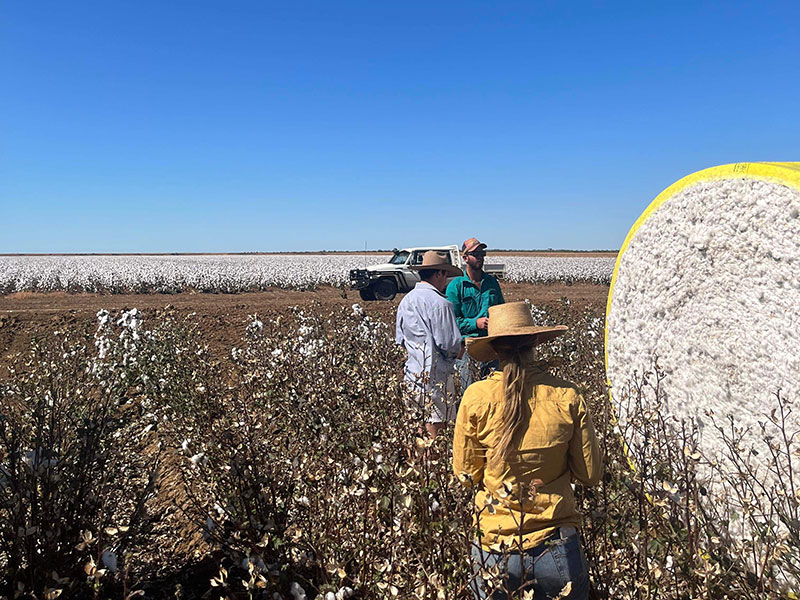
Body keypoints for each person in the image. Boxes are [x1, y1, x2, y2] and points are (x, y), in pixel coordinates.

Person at [453, 302, 602, 600]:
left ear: (494, 349)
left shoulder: (475, 397)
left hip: (494, 547)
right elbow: (589, 475)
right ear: (535, 342)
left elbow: (467, 476)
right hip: (556, 542)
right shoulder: (567, 395)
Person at [396, 251, 464, 437]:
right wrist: (459, 351)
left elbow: (400, 340)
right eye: (445, 276)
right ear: (438, 274)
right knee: (435, 431)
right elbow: (449, 343)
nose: (446, 281)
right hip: (436, 380)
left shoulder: (405, 301)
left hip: (412, 377)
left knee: (415, 430)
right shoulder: (441, 304)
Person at [447, 238, 505, 392]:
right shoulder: (456, 286)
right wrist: (475, 323)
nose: (480, 257)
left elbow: (502, 311)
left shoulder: (492, 283)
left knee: (495, 391)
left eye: (482, 253)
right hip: (468, 348)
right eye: (475, 254)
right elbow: (451, 322)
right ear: (465, 258)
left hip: (493, 346)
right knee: (472, 392)